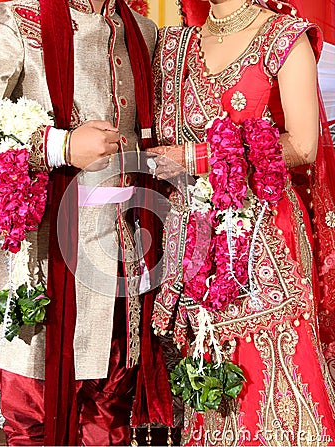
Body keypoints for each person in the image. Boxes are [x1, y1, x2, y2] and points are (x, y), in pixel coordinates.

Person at [0, 0, 173, 445]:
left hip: (121, 278)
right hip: (43, 274)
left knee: (111, 428)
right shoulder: (19, 19)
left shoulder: (142, 30)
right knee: (35, 427)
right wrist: (60, 146)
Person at [148, 0, 335, 444]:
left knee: (269, 375)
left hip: (265, 237)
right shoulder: (175, 44)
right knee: (211, 380)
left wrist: (198, 159)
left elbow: (304, 145)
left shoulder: (283, 37)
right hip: (195, 239)